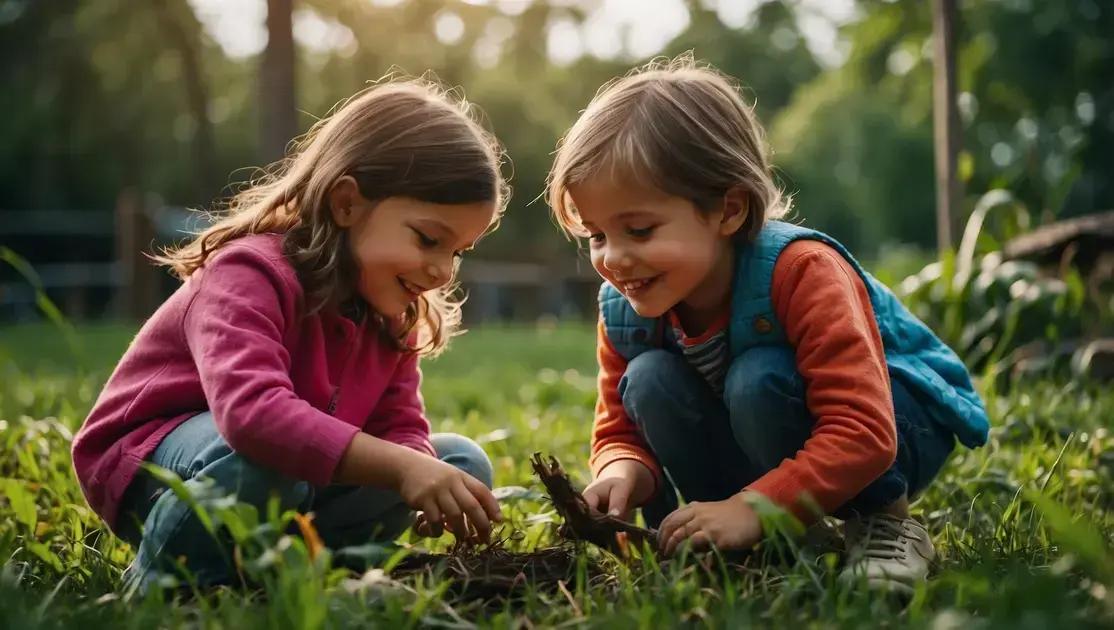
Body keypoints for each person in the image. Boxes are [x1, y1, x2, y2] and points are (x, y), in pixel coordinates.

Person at [545, 56, 988, 595]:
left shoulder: (802, 271)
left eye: (638, 229)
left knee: (758, 378)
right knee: (650, 379)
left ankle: (885, 524)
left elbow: (864, 431)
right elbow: (620, 430)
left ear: (728, 210)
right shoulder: (626, 303)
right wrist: (619, 475)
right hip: (775, 439)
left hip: (896, 423)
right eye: (596, 236)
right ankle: (769, 536)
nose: (613, 258)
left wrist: (754, 506)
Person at [72, 77, 507, 592]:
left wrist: (416, 465)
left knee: (460, 463)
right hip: (158, 465)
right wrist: (402, 468)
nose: (442, 271)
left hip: (292, 475)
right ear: (347, 204)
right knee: (267, 464)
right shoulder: (248, 272)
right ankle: (163, 583)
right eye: (429, 239)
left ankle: (302, 567)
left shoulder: (391, 308)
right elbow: (252, 417)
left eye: (457, 252)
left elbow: (399, 423)